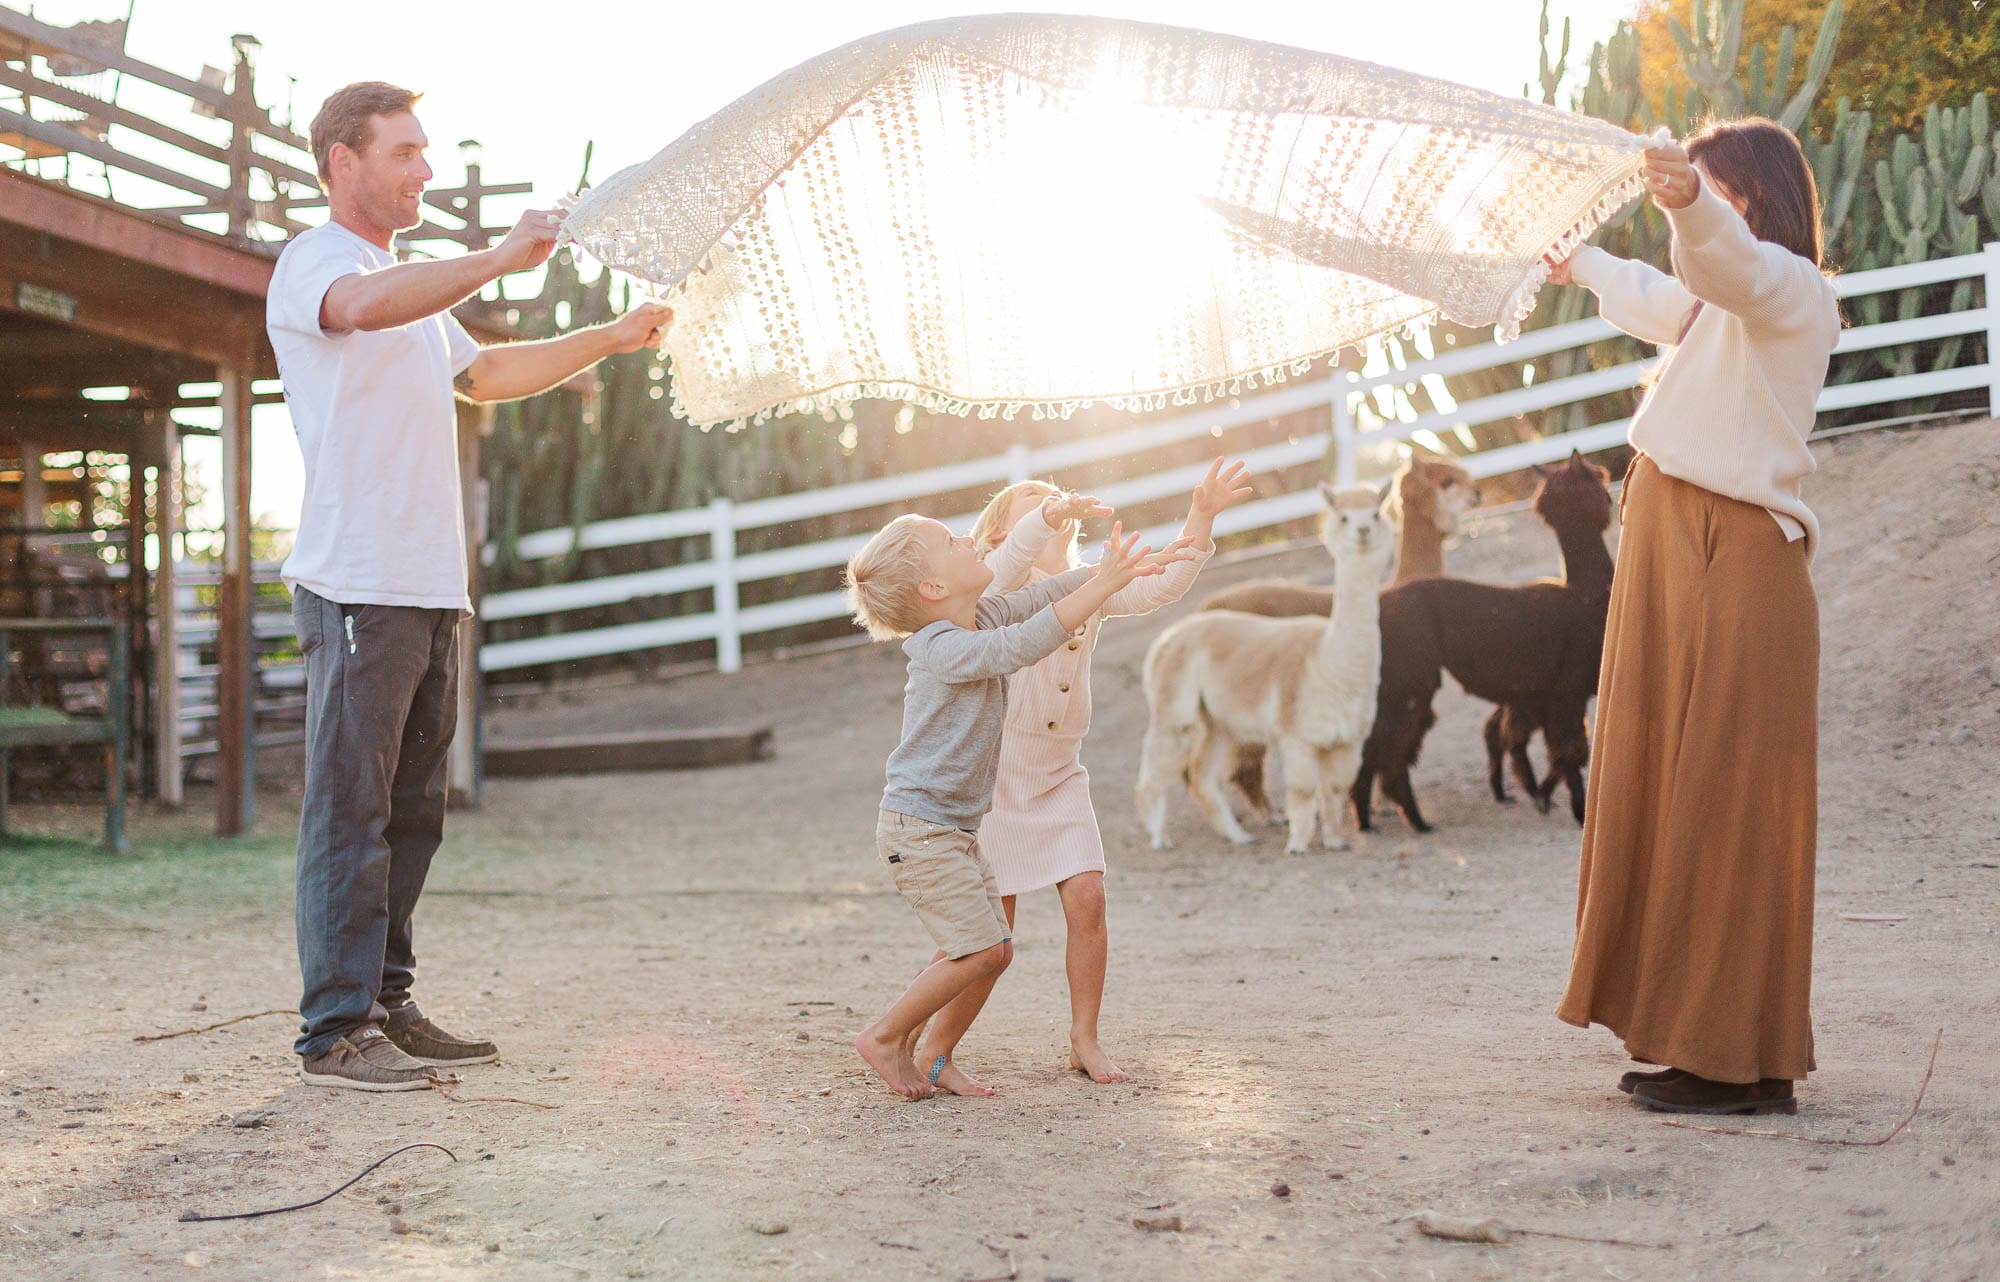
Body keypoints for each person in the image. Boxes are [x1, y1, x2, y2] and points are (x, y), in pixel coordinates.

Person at [268, 81, 672, 1091]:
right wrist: (496, 258)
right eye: (403, 152)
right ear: (342, 162)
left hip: (426, 587)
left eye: (425, 151)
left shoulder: (406, 285)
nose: (425, 171)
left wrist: (610, 336)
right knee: (351, 811)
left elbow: (483, 375)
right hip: (356, 585)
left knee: (413, 815)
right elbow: (359, 310)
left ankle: (385, 1002)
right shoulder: (320, 261)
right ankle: (333, 1032)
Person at [1551, 121, 1840, 1115]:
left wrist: (1686, 204)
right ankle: (1701, 1040)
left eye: (1718, 189)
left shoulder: (1791, 290)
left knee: (1722, 799)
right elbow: (1660, 294)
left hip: (1733, 553)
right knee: (1675, 786)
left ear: (1753, 197)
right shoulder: (1720, 310)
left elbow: (1723, 263)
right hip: (1678, 546)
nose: (1699, 205)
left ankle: (1735, 1060)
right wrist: (1578, 262)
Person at [844, 509, 1188, 1099]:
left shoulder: (977, 617)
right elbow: (1024, 643)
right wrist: (1102, 584)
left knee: (994, 950)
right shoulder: (942, 648)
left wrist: (1106, 572)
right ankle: (885, 1036)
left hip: (951, 829)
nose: (966, 538)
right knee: (979, 949)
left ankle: (921, 1048)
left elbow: (1038, 599)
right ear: (934, 588)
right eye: (951, 540)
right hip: (919, 831)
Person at [966, 459, 1251, 1083]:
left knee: (1089, 898)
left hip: (1059, 772)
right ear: (1003, 533)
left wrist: (1201, 515)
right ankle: (924, 1032)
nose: (1054, 498)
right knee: (991, 934)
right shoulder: (997, 588)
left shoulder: (1094, 582)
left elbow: (1160, 586)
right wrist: (1046, 515)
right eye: (1034, 497)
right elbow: (1008, 563)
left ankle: (1084, 1038)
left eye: (1055, 493)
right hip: (999, 775)